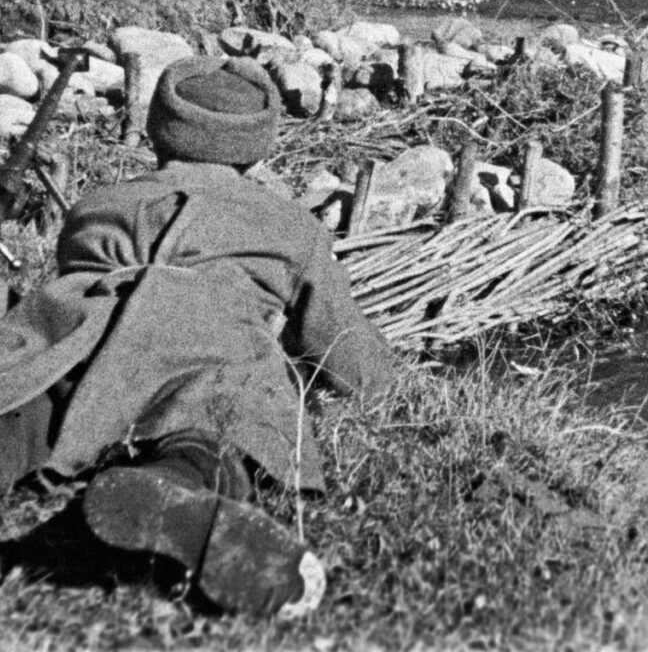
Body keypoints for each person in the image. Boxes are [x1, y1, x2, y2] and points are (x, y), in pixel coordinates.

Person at [0, 55, 395, 618]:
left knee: (29, 402)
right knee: (216, 417)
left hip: (78, 332)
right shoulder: (290, 227)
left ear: (159, 129)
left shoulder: (97, 205)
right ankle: (176, 482)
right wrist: (372, 376)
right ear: (257, 148)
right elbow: (351, 360)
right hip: (208, 333)